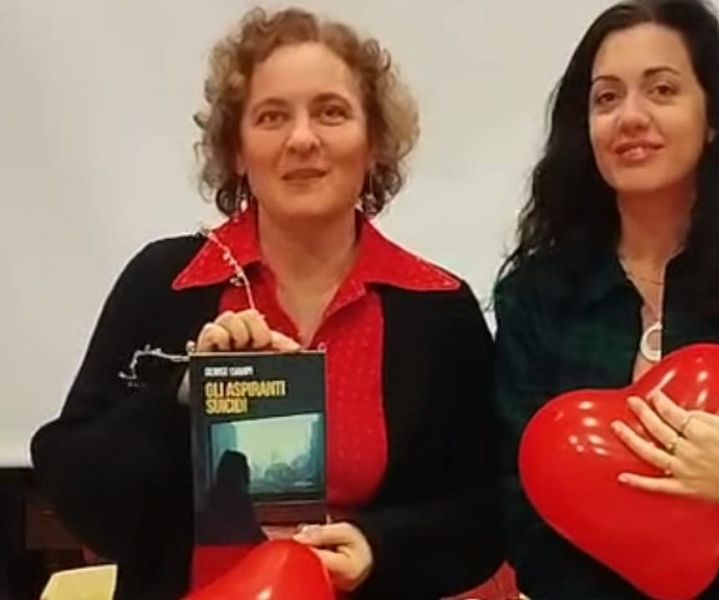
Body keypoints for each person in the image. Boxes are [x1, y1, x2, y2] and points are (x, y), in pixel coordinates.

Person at [30, 7, 501, 599]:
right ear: (237, 150)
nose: (302, 139)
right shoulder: (163, 284)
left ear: (374, 144)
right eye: (272, 116)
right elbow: (81, 496)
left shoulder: (437, 309)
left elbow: (485, 515)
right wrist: (183, 395)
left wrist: (380, 547)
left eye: (331, 112)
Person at [493, 0, 719, 598]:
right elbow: (517, 507)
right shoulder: (537, 293)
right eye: (606, 98)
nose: (630, 117)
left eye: (661, 90)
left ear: (713, 117)